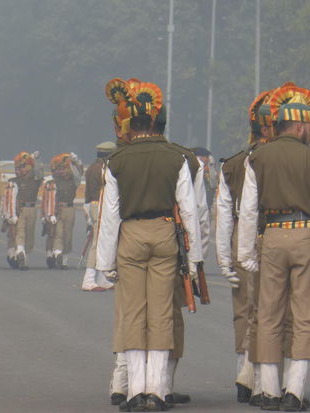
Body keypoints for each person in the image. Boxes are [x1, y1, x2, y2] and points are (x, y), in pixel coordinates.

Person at [238, 83, 310, 411]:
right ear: (298, 126)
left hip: (271, 236)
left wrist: (245, 252)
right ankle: (294, 391)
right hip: (306, 238)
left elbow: (248, 210)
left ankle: (269, 390)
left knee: (269, 313)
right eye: (309, 128)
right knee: (303, 316)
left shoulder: (256, 158)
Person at [97, 78, 202, 411]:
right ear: (157, 121)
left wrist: (104, 263)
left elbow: (109, 216)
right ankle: (157, 391)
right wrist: (196, 256)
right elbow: (189, 209)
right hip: (165, 233)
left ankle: (135, 391)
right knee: (161, 314)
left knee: (133, 313)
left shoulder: (117, 161)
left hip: (130, 235)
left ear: (131, 123)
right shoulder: (177, 158)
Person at [216, 89, 273, 403]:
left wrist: (224, 257)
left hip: (243, 235)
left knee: (244, 307)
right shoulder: (288, 158)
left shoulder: (234, 164)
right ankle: (270, 378)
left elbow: (224, 214)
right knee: (277, 308)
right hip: (278, 231)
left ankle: (244, 372)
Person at [81, 141, 116, 291]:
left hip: (93, 205)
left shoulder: (92, 168)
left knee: (102, 242)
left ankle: (102, 279)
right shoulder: (102, 169)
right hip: (100, 205)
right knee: (97, 244)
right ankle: (88, 280)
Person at [1, 152, 43, 270]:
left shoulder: (35, 180)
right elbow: (7, 199)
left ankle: (22, 253)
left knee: (29, 235)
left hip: (32, 209)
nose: (21, 170)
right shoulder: (14, 181)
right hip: (19, 210)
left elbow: (39, 172)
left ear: (30, 166)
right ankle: (20, 253)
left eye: (24, 166)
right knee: (19, 233)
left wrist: (37, 160)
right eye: (18, 167)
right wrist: (7, 215)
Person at [50, 152, 84, 269]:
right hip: (59, 208)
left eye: (66, 168)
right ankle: (58, 253)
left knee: (68, 235)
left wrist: (76, 162)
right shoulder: (57, 181)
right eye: (62, 169)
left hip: (70, 208)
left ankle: (64, 259)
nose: (63, 171)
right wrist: (51, 213)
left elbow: (79, 173)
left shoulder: (74, 182)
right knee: (58, 233)